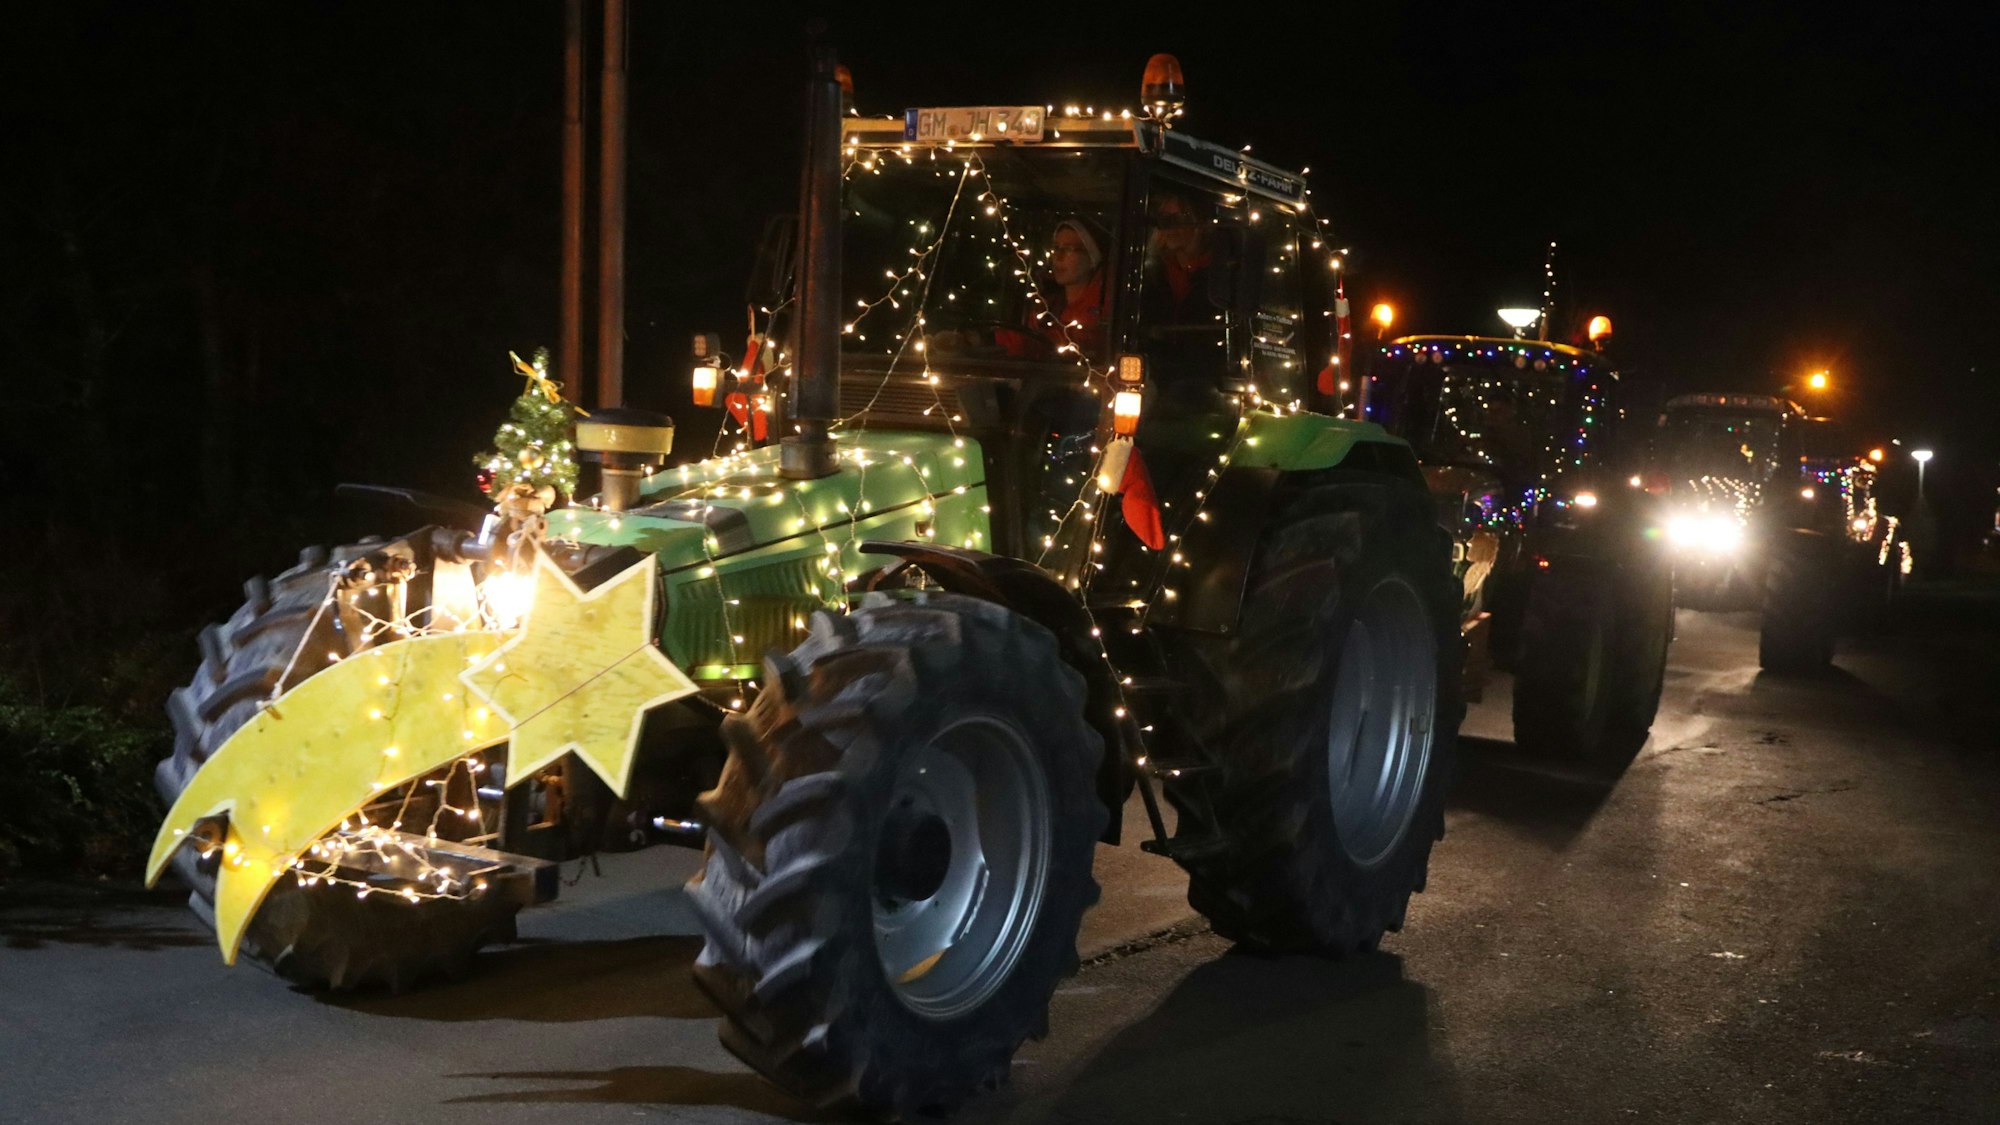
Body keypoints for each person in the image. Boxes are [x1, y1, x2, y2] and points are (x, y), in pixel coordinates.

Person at [994, 218, 1109, 361]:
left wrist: (994, 339)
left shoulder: (1104, 307)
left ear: (1092, 257)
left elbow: (1074, 340)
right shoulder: (1046, 306)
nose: (1058, 257)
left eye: (1069, 249)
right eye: (1056, 248)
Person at [1142, 189, 1216, 324]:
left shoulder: (1219, 274)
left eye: (1182, 217)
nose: (1171, 226)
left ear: (1201, 223)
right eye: (1165, 218)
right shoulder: (1149, 274)